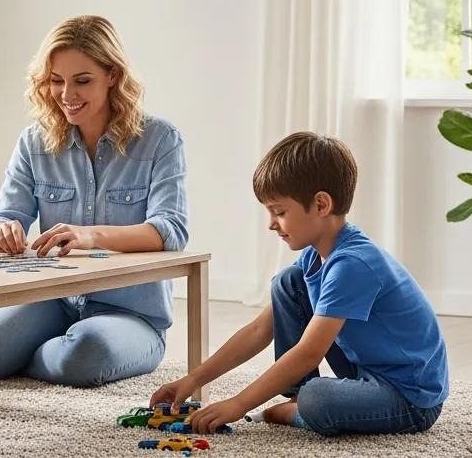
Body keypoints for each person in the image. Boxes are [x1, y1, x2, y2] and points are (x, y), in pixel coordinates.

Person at [0, 15, 188, 387]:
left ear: (113, 76)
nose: (67, 95)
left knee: (83, 356)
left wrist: (91, 235)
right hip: (52, 303)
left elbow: (170, 230)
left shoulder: (160, 139)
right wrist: (1, 230)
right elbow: (1, 218)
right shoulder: (34, 142)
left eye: (82, 81)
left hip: (131, 316)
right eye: (56, 81)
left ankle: (18, 359)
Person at [153, 132, 448, 436]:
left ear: (321, 205)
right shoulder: (314, 257)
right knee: (287, 283)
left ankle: (300, 406)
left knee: (318, 398)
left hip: (410, 399)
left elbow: (309, 352)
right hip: (365, 372)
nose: (271, 224)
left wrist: (238, 404)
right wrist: (193, 379)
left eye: (279, 212)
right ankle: (299, 395)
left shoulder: (353, 264)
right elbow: (259, 330)